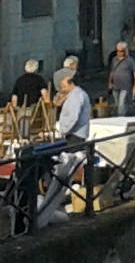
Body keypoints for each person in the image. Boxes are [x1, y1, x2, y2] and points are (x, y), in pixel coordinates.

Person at [33, 66, 91, 231]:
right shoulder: (76, 95)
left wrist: (62, 129)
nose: (61, 86)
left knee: (63, 159)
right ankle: (55, 186)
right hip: (75, 134)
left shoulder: (76, 96)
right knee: (63, 159)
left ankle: (55, 188)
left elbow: (72, 117)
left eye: (63, 83)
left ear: (68, 81)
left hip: (74, 135)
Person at [107, 41, 135, 115]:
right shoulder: (114, 60)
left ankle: (121, 118)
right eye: (117, 51)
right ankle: (126, 113)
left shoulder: (130, 61)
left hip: (125, 85)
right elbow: (112, 71)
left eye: (121, 51)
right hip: (115, 85)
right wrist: (109, 82)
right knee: (118, 104)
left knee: (121, 104)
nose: (119, 53)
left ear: (125, 51)